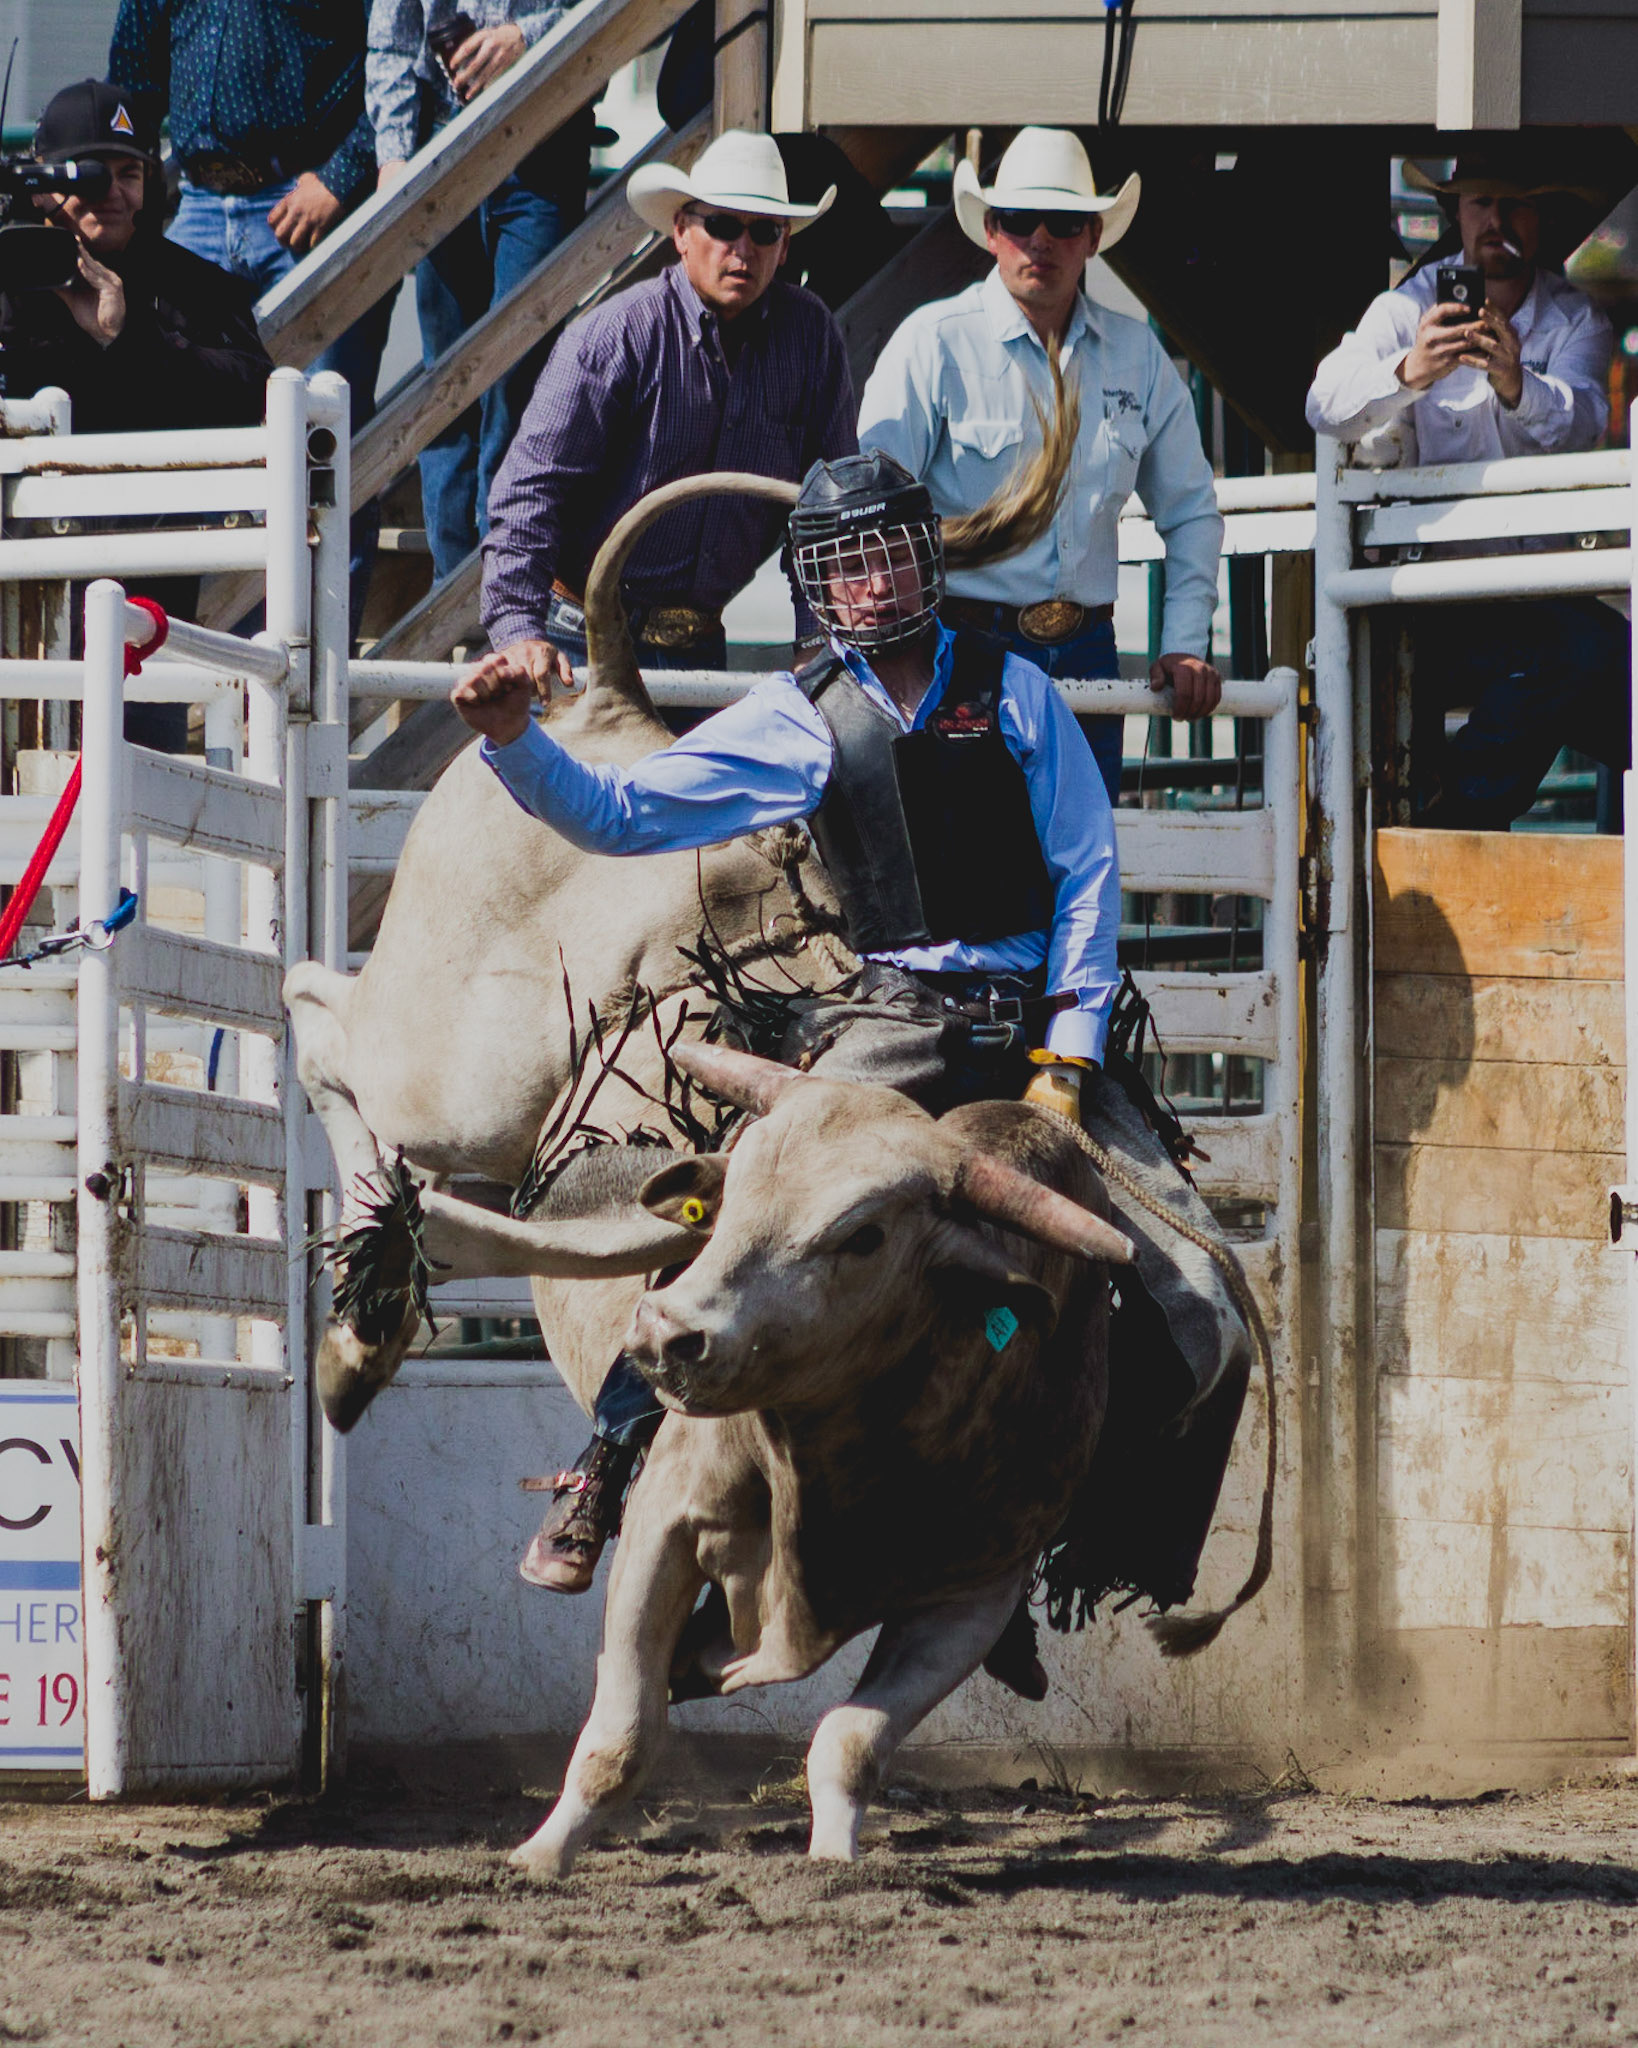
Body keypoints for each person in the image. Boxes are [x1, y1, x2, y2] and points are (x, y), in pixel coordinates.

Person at [452, 453, 1251, 1699]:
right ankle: (604, 1467)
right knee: (739, 1234)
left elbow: (1088, 877)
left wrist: (1069, 1057)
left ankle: (1055, 1539)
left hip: (1040, 1034)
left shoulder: (1020, 691)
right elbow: (620, 814)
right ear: (817, 586)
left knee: (1200, 1303)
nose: (872, 582)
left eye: (888, 554)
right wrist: (514, 744)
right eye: (845, 564)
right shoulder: (795, 715)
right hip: (890, 1031)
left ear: (925, 560)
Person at [857, 128, 1224, 806]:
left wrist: (1184, 644)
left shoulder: (1136, 354)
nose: (1041, 239)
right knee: (970, 856)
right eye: (1021, 219)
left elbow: (1192, 511)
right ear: (992, 230)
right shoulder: (934, 343)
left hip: (1086, 652)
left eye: (1064, 222)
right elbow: (873, 518)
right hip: (963, 652)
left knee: (1080, 857)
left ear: (1093, 236)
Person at [1306, 147, 1624, 828]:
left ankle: (1456, 822)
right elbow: (1324, 404)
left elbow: (1585, 421)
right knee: (1575, 662)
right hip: (1425, 599)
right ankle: (1455, 822)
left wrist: (1516, 382)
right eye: (1482, 202)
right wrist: (1409, 370)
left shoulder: (1575, 318)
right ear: (1456, 213)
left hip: (1536, 597)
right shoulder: (1405, 309)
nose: (1497, 221)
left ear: (1540, 217)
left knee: (1605, 670)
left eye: (1517, 203)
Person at [480, 128, 857, 684]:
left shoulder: (811, 336)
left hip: (698, 642)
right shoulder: (616, 335)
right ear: (682, 231)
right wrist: (518, 631)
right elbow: (531, 488)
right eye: (723, 225)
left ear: (784, 247)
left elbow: (827, 505)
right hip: (582, 641)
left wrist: (815, 639)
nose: (743, 249)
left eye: (764, 231)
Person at [0, 80, 272, 749]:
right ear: (44, 186)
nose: (113, 194)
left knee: (142, 781)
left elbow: (255, 395)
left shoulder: (193, 287)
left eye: (130, 174)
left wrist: (129, 339)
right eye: (91, 175)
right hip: (15, 597)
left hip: (143, 612)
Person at [109, 0, 392, 629]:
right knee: (185, 428)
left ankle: (322, 659)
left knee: (324, 435)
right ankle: (209, 642)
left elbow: (394, 57)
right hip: (195, 205)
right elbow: (132, 83)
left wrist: (342, 176)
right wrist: (132, 205)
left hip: (306, 203)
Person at [368, 0, 596, 584]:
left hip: (544, 128)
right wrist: (394, 156)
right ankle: (456, 591)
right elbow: (392, 40)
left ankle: (507, 581)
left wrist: (526, 37)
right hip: (439, 145)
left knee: (519, 372)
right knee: (447, 384)